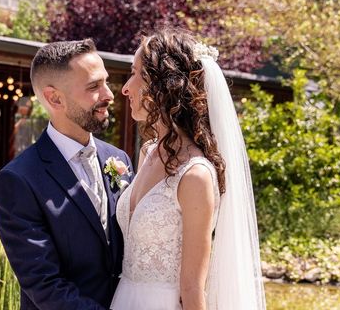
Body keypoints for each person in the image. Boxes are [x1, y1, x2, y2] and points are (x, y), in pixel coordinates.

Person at [111, 28, 266, 310]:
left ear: (161, 85)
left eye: (135, 74)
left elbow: (193, 287)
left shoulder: (195, 175)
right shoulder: (148, 152)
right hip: (123, 298)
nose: (125, 87)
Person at [0, 39, 134, 310]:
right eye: (94, 86)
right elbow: (45, 285)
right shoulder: (19, 180)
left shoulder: (119, 160)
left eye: (106, 82)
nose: (109, 94)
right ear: (54, 98)